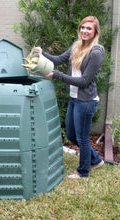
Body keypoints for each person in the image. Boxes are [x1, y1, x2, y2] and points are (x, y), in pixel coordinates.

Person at [34, 16, 105, 178]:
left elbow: (84, 81)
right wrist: (42, 53)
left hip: (86, 101)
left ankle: (83, 172)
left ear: (95, 32)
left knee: (83, 138)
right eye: (83, 27)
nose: (85, 31)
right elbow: (59, 60)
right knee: (72, 135)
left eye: (89, 28)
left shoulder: (96, 52)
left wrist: (57, 75)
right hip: (74, 99)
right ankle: (96, 160)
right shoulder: (76, 46)